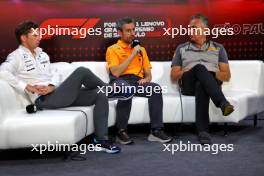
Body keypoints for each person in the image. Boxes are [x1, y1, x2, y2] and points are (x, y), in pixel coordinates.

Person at [0, 21, 126, 154]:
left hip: (57, 94)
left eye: (40, 34)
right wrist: (26, 86)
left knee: (99, 94)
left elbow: (55, 73)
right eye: (35, 35)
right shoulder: (16, 56)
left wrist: (51, 85)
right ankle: (112, 90)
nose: (40, 37)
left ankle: (101, 141)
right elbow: (3, 72)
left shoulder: (43, 55)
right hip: (42, 100)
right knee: (82, 71)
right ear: (23, 38)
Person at [105, 17, 172, 145]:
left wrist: (145, 79)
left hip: (136, 82)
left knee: (156, 89)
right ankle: (121, 131)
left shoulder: (142, 50)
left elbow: (148, 75)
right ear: (120, 32)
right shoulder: (112, 49)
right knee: (125, 88)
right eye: (128, 30)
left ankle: (156, 131)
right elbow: (115, 72)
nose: (132, 33)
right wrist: (132, 55)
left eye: (133, 30)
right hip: (119, 81)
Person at [170, 14, 234, 144]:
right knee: (199, 68)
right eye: (189, 28)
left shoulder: (218, 48)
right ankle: (222, 103)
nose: (190, 31)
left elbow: (226, 76)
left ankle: (203, 132)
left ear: (205, 30)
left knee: (202, 83)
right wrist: (187, 70)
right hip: (188, 85)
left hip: (209, 84)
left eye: (194, 28)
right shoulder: (181, 48)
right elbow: (174, 75)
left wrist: (211, 73)